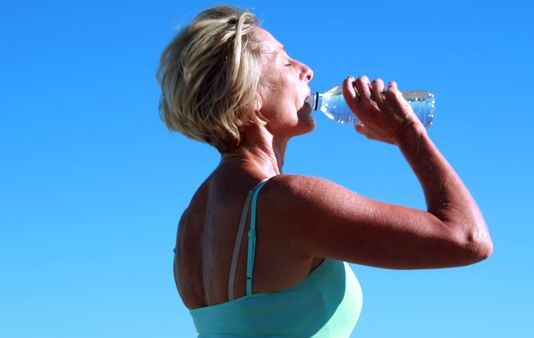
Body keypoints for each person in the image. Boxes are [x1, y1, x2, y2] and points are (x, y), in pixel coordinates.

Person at [157, 5, 493, 338]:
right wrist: (408, 133)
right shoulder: (286, 201)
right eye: (285, 61)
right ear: (248, 96)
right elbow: (468, 239)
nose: (307, 70)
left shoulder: (192, 220)